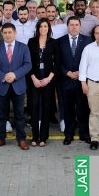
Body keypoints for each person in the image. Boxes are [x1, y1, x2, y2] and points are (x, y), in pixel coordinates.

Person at [0, 23, 31, 150]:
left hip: (18, 86)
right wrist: (3, 76)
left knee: (19, 115)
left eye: (9, 32)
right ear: (2, 34)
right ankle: (0, 139)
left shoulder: (23, 47)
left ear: (15, 32)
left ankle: (21, 139)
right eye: (5, 33)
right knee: (1, 116)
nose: (7, 35)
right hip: (2, 85)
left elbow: (28, 65)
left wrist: (15, 74)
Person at [58, 17, 93, 145]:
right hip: (66, 81)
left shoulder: (88, 40)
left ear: (80, 26)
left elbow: (91, 60)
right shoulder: (60, 41)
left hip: (82, 81)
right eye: (71, 25)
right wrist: (66, 72)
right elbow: (57, 61)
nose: (74, 27)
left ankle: (84, 134)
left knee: (83, 109)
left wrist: (81, 73)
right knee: (68, 109)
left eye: (76, 25)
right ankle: (69, 134)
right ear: (67, 26)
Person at [27, 18, 59, 147]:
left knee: (46, 107)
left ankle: (44, 137)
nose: (43, 29)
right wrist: (33, 78)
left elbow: (57, 63)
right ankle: (35, 136)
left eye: (45, 26)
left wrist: (49, 78)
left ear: (49, 28)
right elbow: (28, 61)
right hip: (34, 78)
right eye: (40, 26)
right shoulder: (31, 42)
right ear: (37, 28)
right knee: (34, 106)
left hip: (48, 79)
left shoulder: (53, 43)